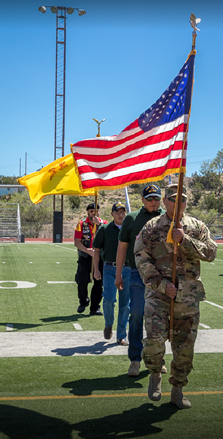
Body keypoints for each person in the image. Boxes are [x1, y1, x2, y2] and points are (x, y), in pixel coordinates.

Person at [134, 183, 217, 409]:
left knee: (185, 348)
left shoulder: (196, 226)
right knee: (153, 342)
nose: (177, 203)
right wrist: (162, 285)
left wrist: (184, 240)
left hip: (188, 298)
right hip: (159, 297)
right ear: (164, 202)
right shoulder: (151, 227)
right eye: (172, 199)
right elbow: (141, 258)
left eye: (182, 199)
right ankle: (154, 373)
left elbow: (211, 252)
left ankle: (178, 389)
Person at [115, 184, 166, 376]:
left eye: (156, 198)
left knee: (160, 318)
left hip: (163, 275)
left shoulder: (167, 217)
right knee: (136, 314)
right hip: (137, 273)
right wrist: (118, 274)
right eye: (150, 198)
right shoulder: (131, 218)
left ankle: (157, 358)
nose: (154, 202)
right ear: (142, 200)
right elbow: (122, 248)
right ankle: (135, 359)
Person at [93, 202, 130, 345]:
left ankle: (121, 335)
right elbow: (96, 249)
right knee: (108, 299)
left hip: (127, 269)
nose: (121, 215)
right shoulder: (104, 229)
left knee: (125, 304)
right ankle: (108, 324)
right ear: (112, 214)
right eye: (118, 212)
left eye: (123, 212)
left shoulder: (129, 229)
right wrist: (96, 269)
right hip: (109, 268)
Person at [74, 203, 108, 316]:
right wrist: (87, 250)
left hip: (100, 257)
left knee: (99, 282)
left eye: (95, 210)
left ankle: (95, 308)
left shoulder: (105, 224)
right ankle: (83, 301)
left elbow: (110, 235)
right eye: (91, 211)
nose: (93, 213)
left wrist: (101, 224)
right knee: (81, 280)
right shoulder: (81, 224)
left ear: (99, 212)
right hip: (85, 256)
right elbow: (77, 242)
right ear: (88, 212)